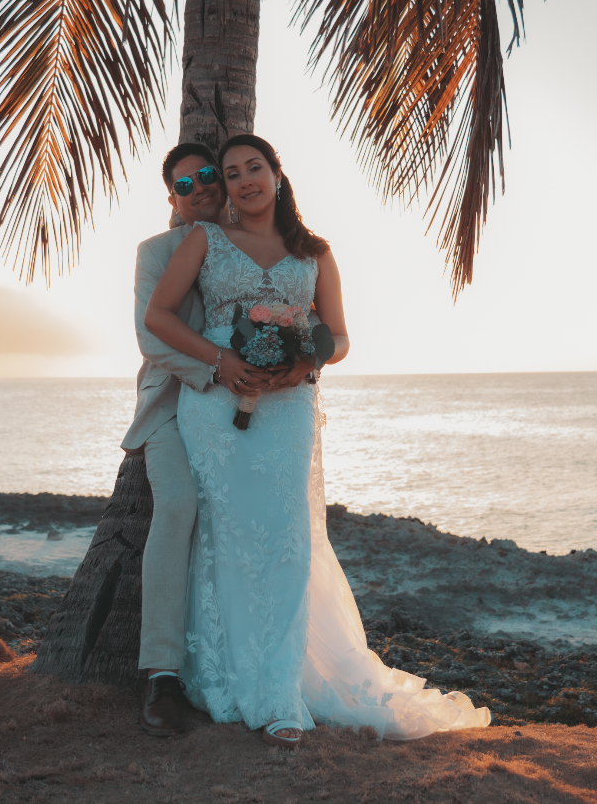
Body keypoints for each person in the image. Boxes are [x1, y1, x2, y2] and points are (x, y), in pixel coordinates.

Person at [145, 134, 491, 748]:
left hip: (289, 408)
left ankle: (279, 692)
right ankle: (223, 677)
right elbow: (159, 316)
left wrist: (308, 362)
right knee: (225, 536)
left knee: (286, 541)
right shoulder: (205, 240)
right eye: (232, 173)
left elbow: (340, 335)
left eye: (255, 167)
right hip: (217, 405)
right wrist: (220, 361)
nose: (245, 180)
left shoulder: (315, 252)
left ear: (278, 175)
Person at [122, 142, 272, 737]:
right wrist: (217, 368)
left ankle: (247, 661)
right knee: (180, 505)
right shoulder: (155, 252)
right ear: (172, 197)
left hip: (244, 405)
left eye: (209, 174)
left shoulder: (249, 242)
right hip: (170, 405)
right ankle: (161, 676)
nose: (201, 186)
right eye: (185, 183)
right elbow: (151, 339)